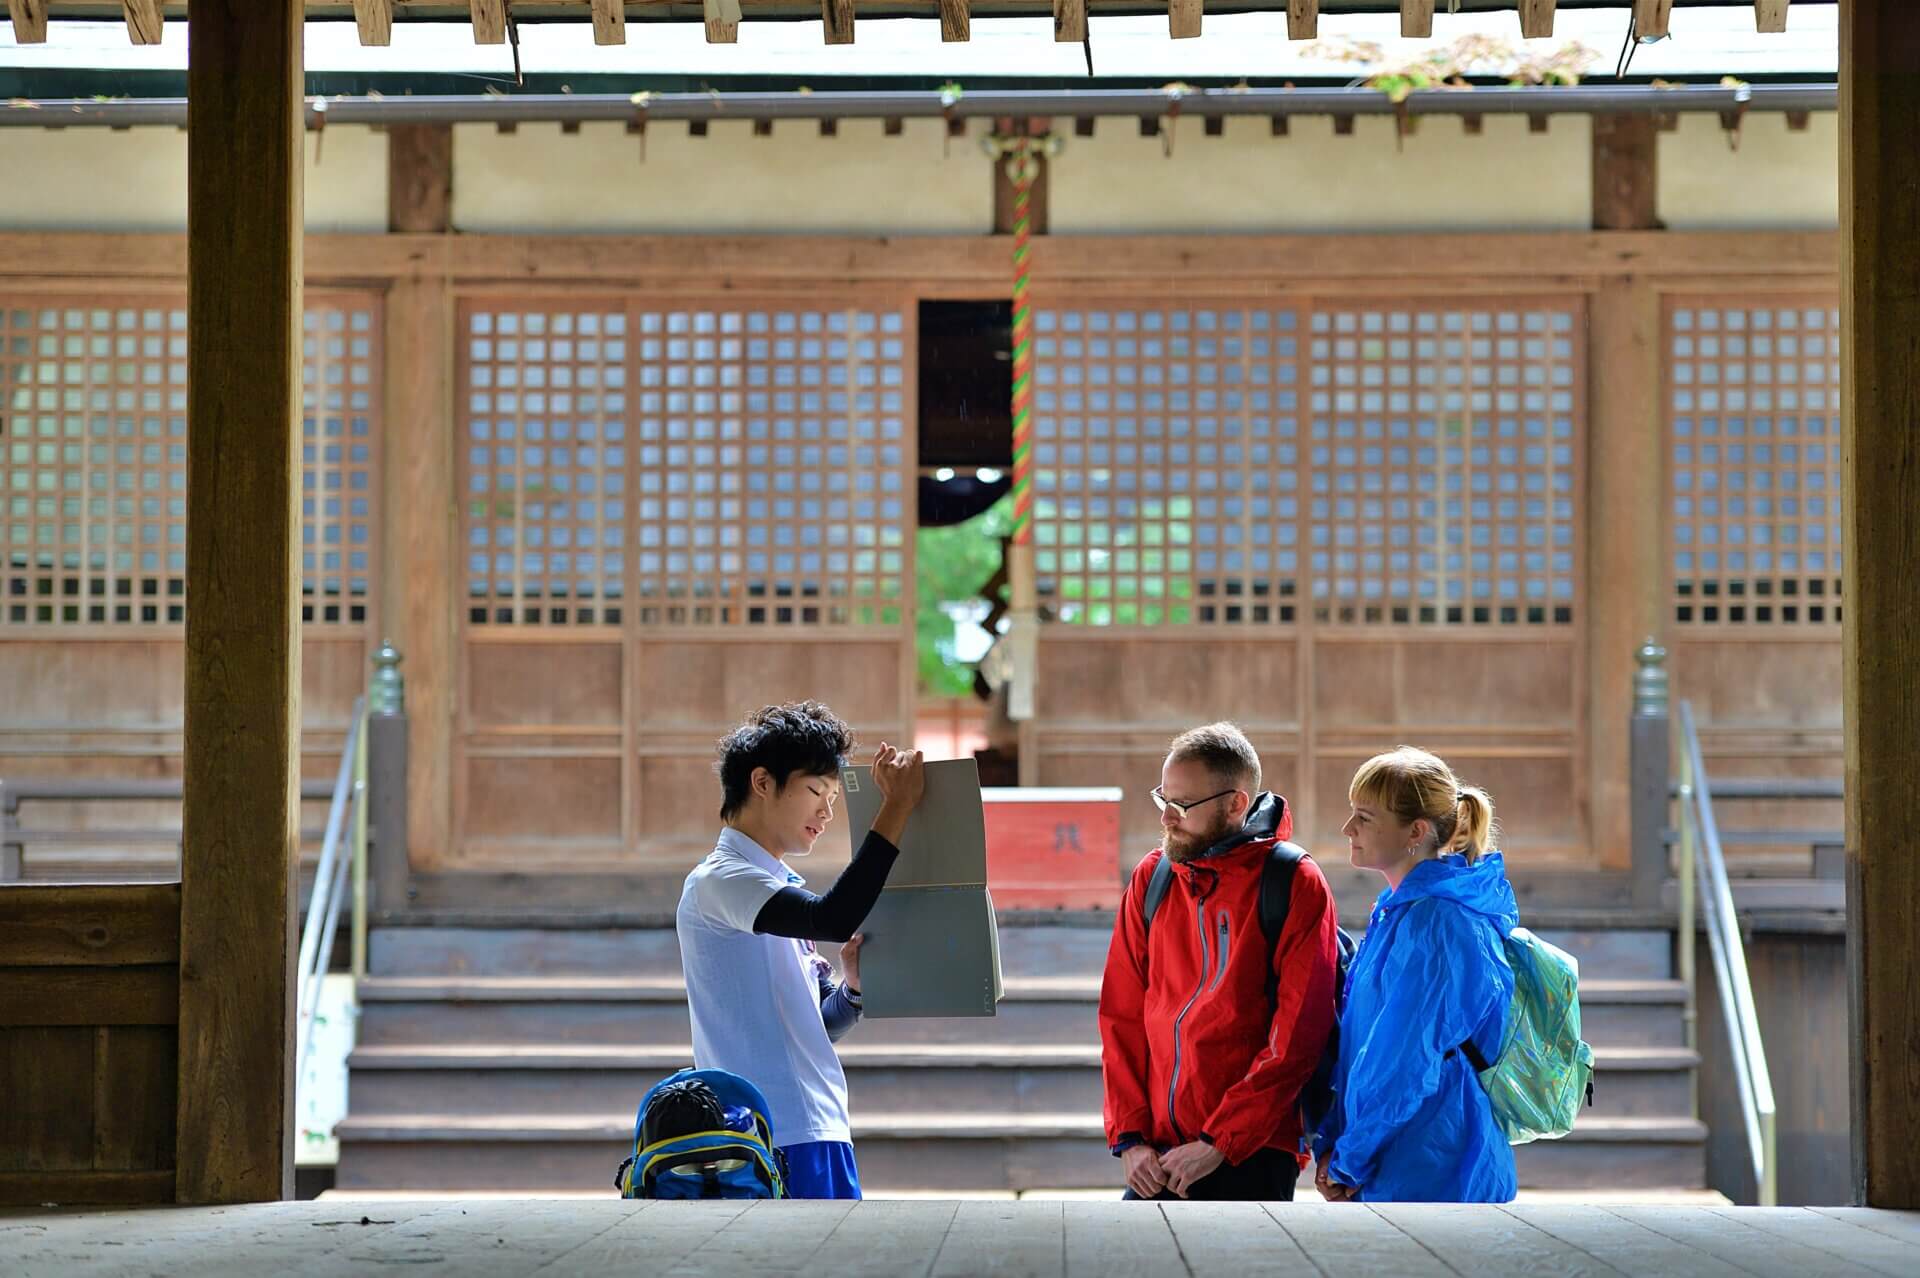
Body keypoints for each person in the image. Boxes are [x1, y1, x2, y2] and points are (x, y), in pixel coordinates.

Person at [675, 701, 926, 1200]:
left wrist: (852, 989)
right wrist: (896, 807)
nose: (827, 812)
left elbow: (819, 1026)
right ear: (762, 782)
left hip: (817, 1124)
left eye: (833, 796)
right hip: (774, 1134)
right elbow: (832, 917)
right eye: (815, 791)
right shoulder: (721, 881)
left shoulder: (773, 886)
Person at [1099, 722, 1341, 1202]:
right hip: (1159, 1156)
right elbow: (1121, 1015)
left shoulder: (1294, 881)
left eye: (1182, 806)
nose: (1167, 818)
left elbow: (1297, 1038)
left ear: (1236, 803)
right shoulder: (1155, 876)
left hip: (1251, 1150)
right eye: (1163, 800)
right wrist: (1130, 1138)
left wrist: (1219, 1142)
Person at [1313, 745, 1519, 1204]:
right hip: (1404, 1160)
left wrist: (1349, 1158)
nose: (1348, 828)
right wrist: (1335, 1144)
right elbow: (1361, 1052)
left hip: (1435, 1167)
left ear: (1416, 831)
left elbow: (1404, 1063)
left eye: (1364, 817)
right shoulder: (1404, 913)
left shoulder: (1437, 924)